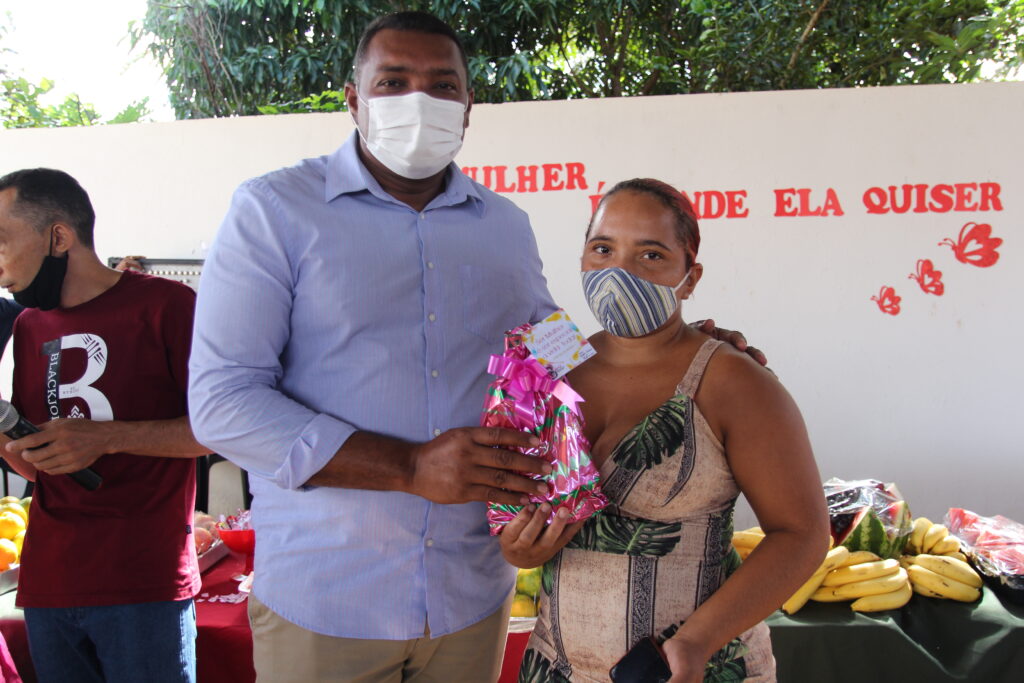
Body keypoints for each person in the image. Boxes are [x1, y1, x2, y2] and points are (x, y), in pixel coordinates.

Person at [188, 11, 762, 682]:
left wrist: (674, 348)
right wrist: (407, 465)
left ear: (466, 107)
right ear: (353, 98)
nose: (419, 101)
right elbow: (222, 403)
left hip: (471, 595)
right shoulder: (274, 211)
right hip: (329, 599)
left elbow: (551, 351)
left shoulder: (503, 225)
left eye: (442, 85)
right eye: (393, 81)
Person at [499, 179, 829, 683]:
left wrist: (696, 642)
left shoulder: (732, 380)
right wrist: (519, 549)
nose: (619, 272)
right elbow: (511, 499)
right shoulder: (549, 364)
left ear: (690, 278)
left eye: (651, 255)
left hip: (690, 670)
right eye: (603, 249)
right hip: (556, 667)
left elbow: (802, 534)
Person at [0, 168, 211, 683]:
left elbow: (220, 431)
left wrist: (110, 437)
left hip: (143, 582)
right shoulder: (28, 325)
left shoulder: (168, 305)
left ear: (58, 237)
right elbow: (39, 468)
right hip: (48, 584)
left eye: (1, 242)